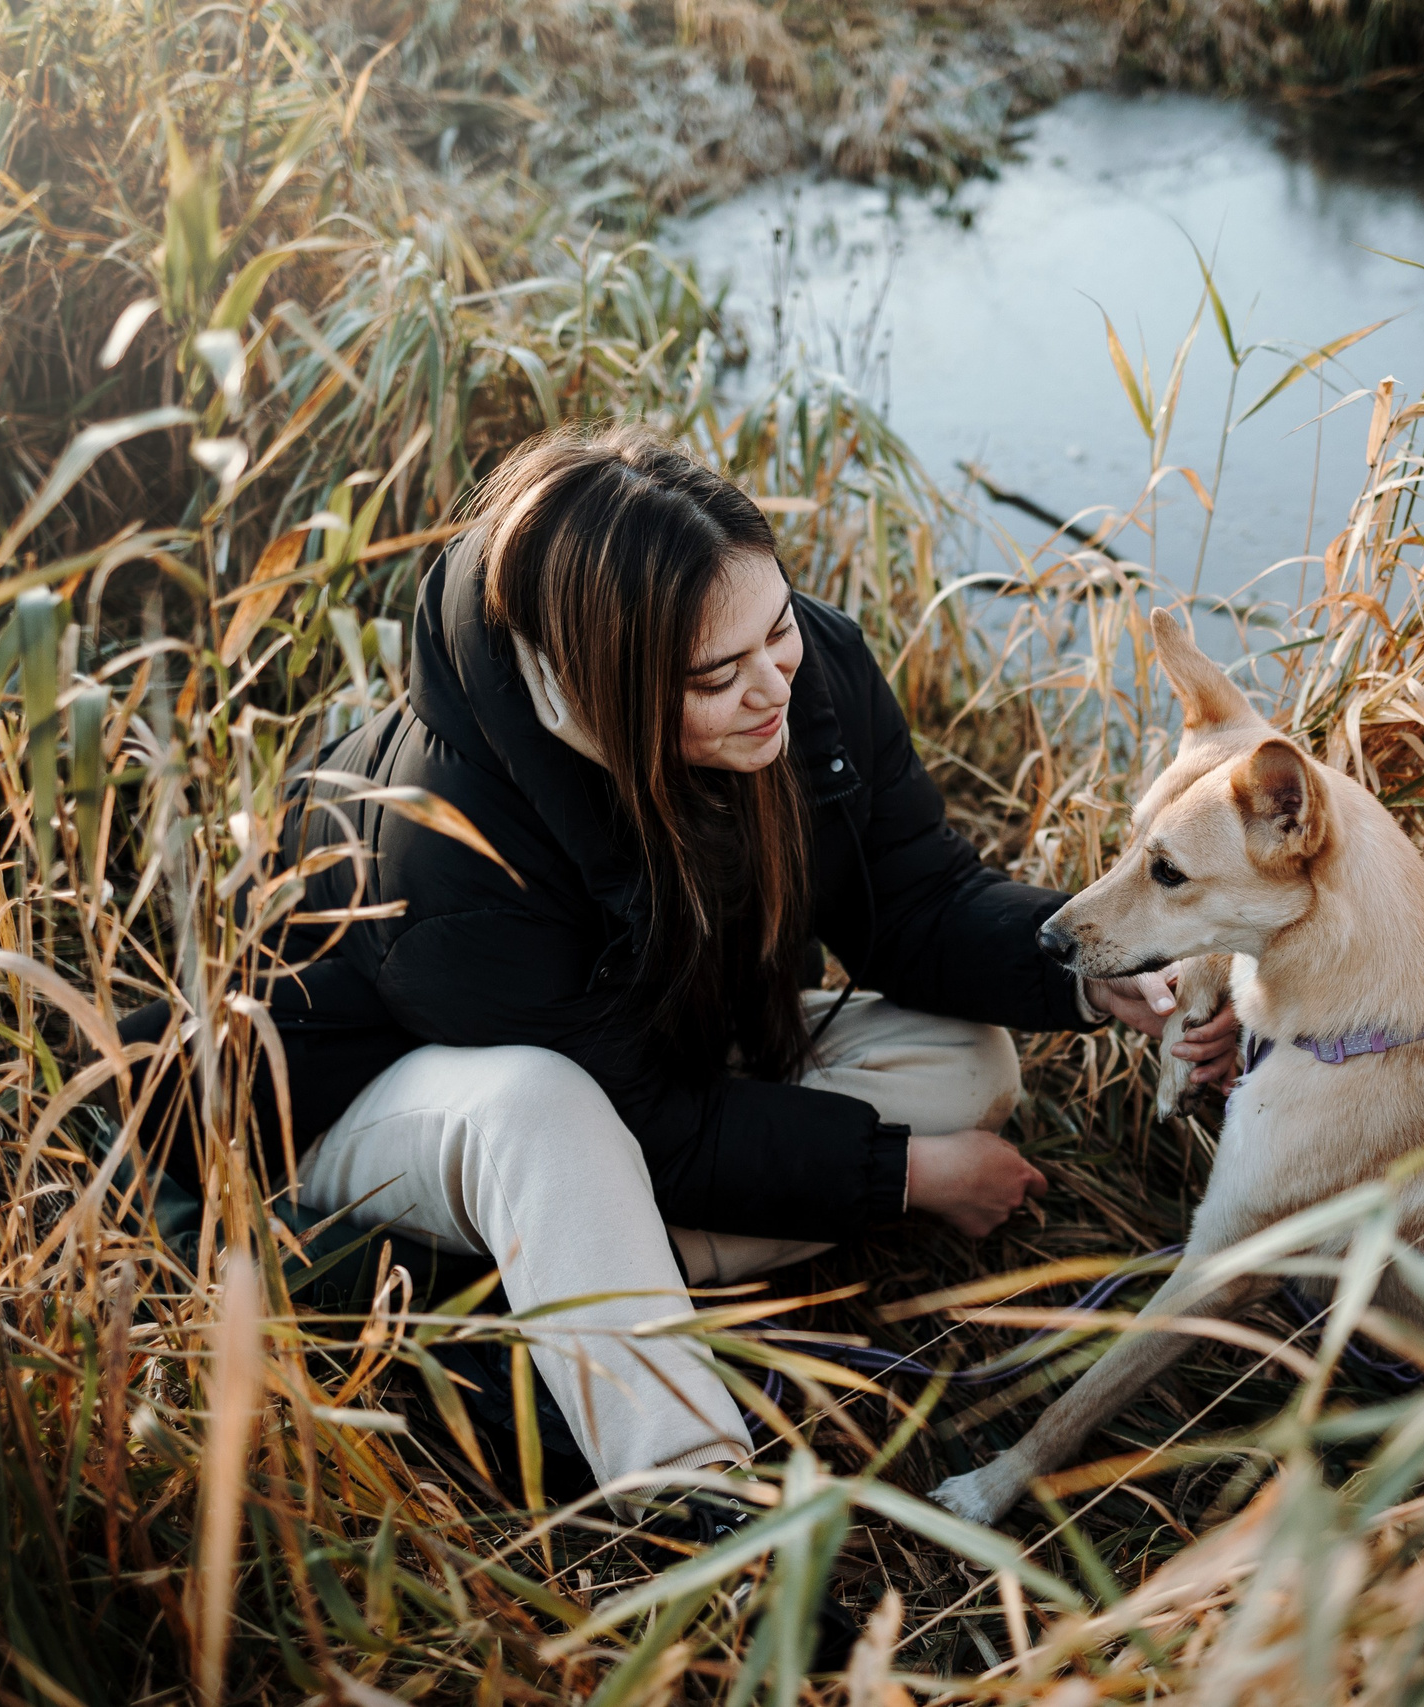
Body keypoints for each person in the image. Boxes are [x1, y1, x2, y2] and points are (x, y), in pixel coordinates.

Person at [234, 425, 1236, 1501]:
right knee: (542, 1106)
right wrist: (904, 1177)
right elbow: (650, 1126)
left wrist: (1084, 974)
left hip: (653, 1066)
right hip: (385, 1116)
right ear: (601, 683)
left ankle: (589, 1289)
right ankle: (691, 1493)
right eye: (719, 674)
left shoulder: (808, 673)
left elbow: (914, 897)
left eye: (779, 628)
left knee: (969, 1067)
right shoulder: (451, 844)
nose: (775, 688)